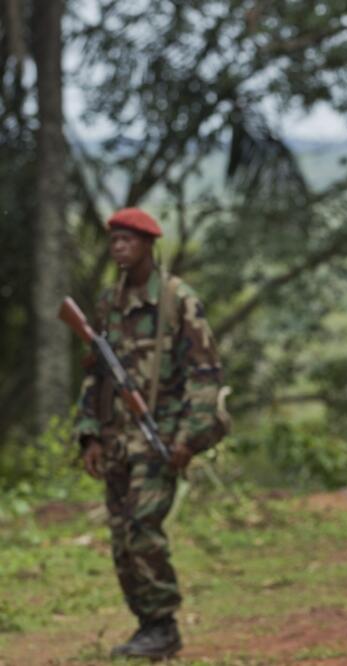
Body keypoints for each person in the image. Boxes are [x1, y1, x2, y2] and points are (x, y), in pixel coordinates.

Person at [73, 208, 226, 659]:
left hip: (159, 438)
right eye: (113, 239)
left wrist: (188, 438)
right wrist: (89, 435)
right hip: (116, 439)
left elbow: (205, 375)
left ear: (147, 244)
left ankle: (162, 625)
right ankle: (148, 625)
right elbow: (94, 376)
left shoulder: (178, 301)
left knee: (142, 531)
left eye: (127, 240)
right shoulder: (108, 304)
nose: (118, 247)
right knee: (122, 539)